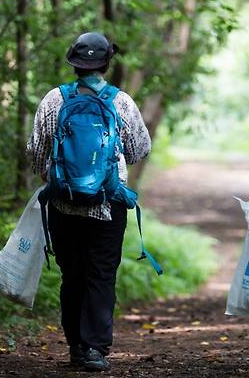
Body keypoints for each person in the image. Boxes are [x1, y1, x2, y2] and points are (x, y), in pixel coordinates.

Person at [27, 32, 151, 372]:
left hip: (63, 205)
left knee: (73, 275)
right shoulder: (120, 101)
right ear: (107, 63)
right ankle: (96, 348)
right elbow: (140, 148)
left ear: (75, 64)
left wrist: (53, 176)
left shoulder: (54, 99)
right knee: (101, 275)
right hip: (107, 206)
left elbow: (36, 151)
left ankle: (76, 348)